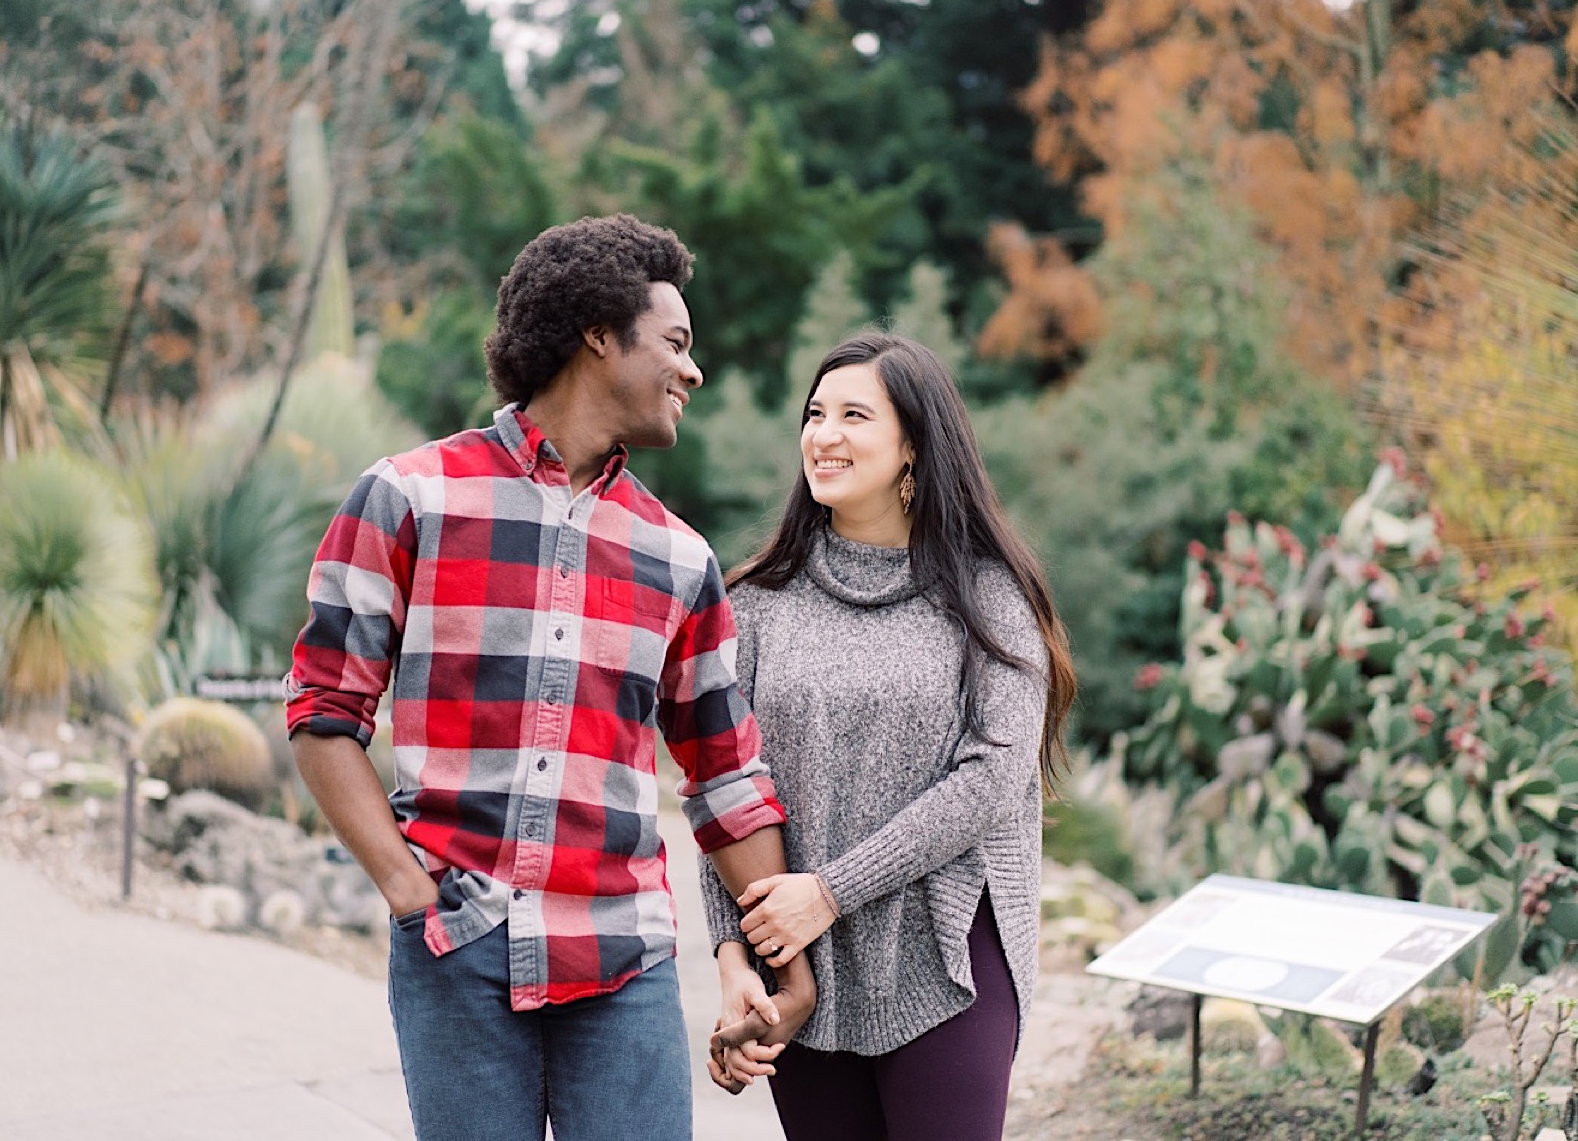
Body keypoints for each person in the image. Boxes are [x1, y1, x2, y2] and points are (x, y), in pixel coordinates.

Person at [285, 214, 815, 1141]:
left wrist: (775, 957)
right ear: (599, 334)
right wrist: (410, 894)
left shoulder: (679, 558)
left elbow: (726, 777)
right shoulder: (410, 497)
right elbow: (325, 710)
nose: (694, 371)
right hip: (459, 949)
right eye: (677, 344)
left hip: (625, 958)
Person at [700, 331, 1076, 1141]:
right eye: (814, 413)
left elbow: (988, 780)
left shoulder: (989, 598)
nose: (823, 434)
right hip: (802, 964)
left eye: (853, 415)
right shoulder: (760, 603)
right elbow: (724, 784)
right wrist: (734, 952)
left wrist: (829, 893)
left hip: (950, 955)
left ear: (914, 444)